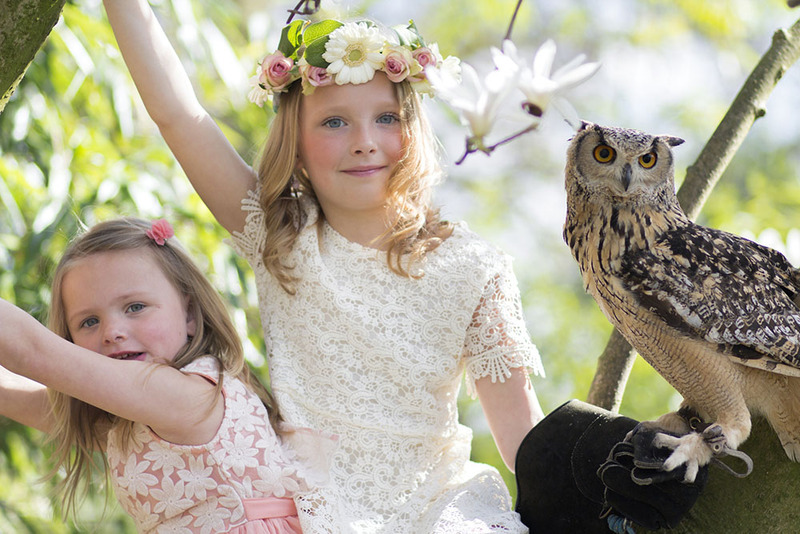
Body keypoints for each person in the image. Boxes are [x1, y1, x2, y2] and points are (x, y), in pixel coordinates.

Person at [101, 1, 545, 531]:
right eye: (334, 122)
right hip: (313, 510)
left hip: (442, 511)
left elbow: (524, 440)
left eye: (386, 118)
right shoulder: (281, 237)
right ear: (297, 146)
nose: (364, 141)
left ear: (413, 127)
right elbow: (178, 114)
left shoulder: (475, 268)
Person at [0, 217, 333, 533]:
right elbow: (23, 396)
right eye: (89, 321)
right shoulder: (132, 423)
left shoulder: (190, 395)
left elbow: (31, 351)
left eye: (135, 307)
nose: (112, 332)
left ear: (189, 313)